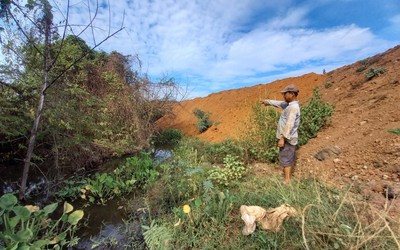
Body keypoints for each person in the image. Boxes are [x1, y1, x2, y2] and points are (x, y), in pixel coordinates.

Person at [261, 84, 300, 184]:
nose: (283, 96)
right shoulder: (288, 105)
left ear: (291, 94)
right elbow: (278, 103)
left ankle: (287, 181)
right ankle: (286, 177)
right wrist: (267, 102)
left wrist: (282, 138)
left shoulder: (293, 108)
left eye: (285, 94)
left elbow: (289, 124)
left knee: (286, 158)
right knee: (285, 156)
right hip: (287, 138)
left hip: (288, 138)